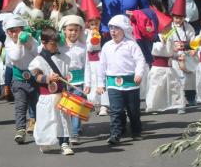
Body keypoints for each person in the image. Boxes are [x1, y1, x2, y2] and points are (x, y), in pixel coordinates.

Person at [97, 15, 147, 144]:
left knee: (133, 110)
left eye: (116, 28)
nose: (113, 31)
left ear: (124, 30)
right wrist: (100, 83)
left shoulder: (131, 45)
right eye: (111, 28)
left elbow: (140, 60)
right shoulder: (106, 46)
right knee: (116, 110)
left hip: (131, 82)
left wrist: (138, 74)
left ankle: (136, 131)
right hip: (113, 82)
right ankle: (115, 133)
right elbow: (102, 66)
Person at [29, 27, 74, 155]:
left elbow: (68, 74)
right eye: (52, 44)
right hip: (47, 96)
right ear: (43, 42)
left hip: (62, 95)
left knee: (63, 120)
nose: (55, 47)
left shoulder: (64, 57)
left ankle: (64, 143)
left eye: (57, 44)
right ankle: (45, 142)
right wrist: (48, 78)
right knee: (46, 120)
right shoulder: (38, 60)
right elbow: (37, 76)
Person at [4, 16, 39, 144]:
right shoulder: (9, 44)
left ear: (22, 30)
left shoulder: (31, 39)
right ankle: (20, 130)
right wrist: (19, 42)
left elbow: (38, 53)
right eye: (10, 31)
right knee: (20, 105)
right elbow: (16, 56)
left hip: (34, 77)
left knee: (36, 104)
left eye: (16, 30)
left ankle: (36, 124)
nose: (13, 33)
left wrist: (29, 44)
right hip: (18, 79)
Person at [144, 18, 184, 115]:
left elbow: (170, 53)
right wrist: (163, 43)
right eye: (166, 27)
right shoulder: (155, 37)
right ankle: (154, 106)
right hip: (158, 68)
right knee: (157, 87)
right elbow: (154, 51)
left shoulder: (171, 37)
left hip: (169, 67)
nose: (168, 28)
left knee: (174, 86)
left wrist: (177, 54)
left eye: (169, 26)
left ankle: (178, 105)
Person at [59, 15, 87, 145]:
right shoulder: (59, 47)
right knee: (65, 108)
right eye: (70, 30)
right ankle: (67, 131)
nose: (73, 33)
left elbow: (87, 66)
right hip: (63, 81)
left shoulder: (83, 47)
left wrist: (87, 83)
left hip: (78, 82)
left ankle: (74, 133)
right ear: (64, 30)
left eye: (76, 30)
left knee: (76, 107)